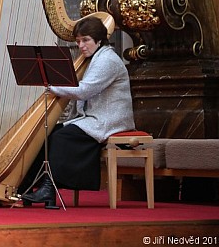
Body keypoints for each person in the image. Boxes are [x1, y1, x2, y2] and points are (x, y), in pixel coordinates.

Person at [19, 16, 135, 207]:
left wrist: (53, 86)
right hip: (93, 118)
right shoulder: (95, 58)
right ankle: (27, 186)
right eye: (78, 41)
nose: (81, 45)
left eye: (86, 40)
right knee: (48, 134)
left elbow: (84, 91)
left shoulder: (108, 60)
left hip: (109, 120)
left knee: (62, 137)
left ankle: (49, 189)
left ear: (99, 40)